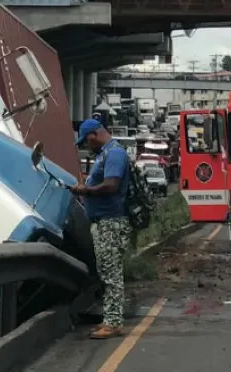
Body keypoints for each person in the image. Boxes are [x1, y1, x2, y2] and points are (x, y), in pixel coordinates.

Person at [71, 119, 131, 339]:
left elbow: (111, 185)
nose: (87, 146)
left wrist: (87, 191)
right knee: (107, 272)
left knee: (111, 274)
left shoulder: (114, 154)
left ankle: (114, 323)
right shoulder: (105, 154)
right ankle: (110, 319)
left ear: (93, 135)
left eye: (86, 141)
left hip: (110, 223)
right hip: (104, 222)